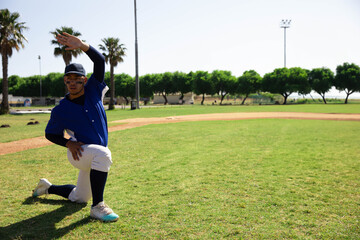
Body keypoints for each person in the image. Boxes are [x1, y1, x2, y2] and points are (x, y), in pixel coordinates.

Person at [32, 32, 118, 222]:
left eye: (77, 79)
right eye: (68, 79)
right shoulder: (61, 109)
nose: (72, 83)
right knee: (103, 154)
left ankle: (47, 187)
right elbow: (50, 134)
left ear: (84, 81)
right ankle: (98, 207)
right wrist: (68, 144)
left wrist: (82, 45)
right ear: (65, 81)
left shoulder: (94, 90)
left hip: (92, 154)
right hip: (78, 153)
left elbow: (100, 61)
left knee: (80, 197)